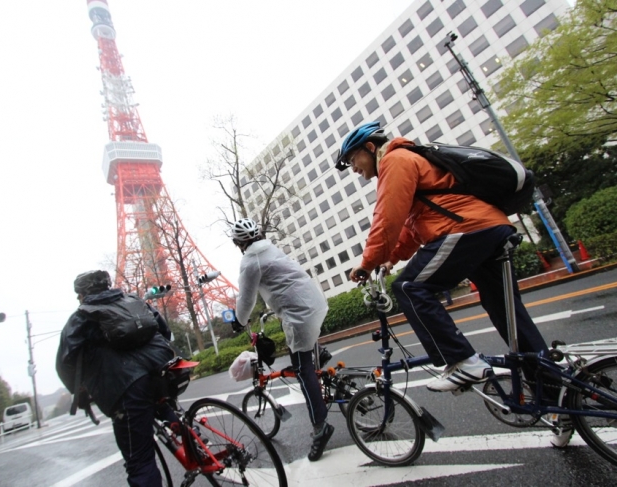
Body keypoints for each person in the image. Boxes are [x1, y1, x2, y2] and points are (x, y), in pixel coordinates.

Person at [336, 122, 571, 443]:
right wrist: (391, 257)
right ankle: (560, 405)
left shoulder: (395, 160)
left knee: (410, 288)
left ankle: (464, 361)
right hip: (489, 227)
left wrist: (368, 262)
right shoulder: (410, 160)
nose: (354, 169)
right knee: (510, 319)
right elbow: (412, 222)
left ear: (370, 148)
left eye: (353, 160)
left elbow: (387, 217)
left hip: (464, 229)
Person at [56, 270, 177, 486]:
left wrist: (81, 393)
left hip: (125, 387)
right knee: (164, 402)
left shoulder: (81, 317)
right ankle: (194, 438)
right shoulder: (133, 300)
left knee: (139, 462)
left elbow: (65, 363)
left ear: (82, 295)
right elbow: (164, 331)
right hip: (163, 370)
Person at [231, 218, 335, 461]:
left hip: (299, 315)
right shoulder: (270, 249)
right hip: (316, 304)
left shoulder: (249, 262)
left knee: (301, 368)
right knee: (307, 349)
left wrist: (239, 321)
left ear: (239, 243)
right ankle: (321, 354)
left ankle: (321, 428)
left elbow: (246, 300)